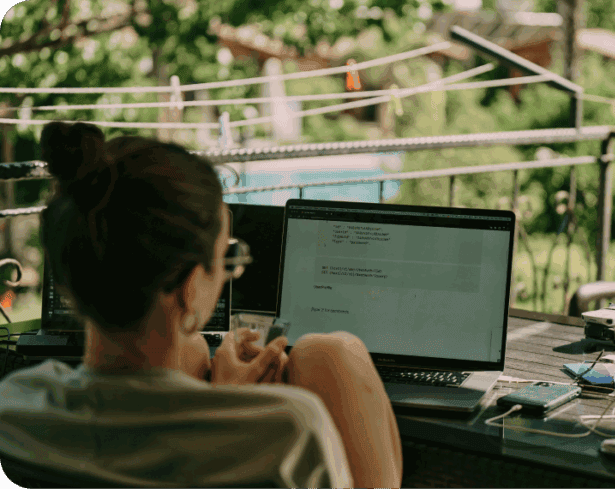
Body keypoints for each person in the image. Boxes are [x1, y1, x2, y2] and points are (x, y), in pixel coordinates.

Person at [0, 121, 402, 488]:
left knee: (192, 351)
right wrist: (234, 410)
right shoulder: (290, 429)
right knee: (331, 352)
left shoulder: (19, 406)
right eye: (226, 259)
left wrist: (220, 400)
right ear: (191, 284)